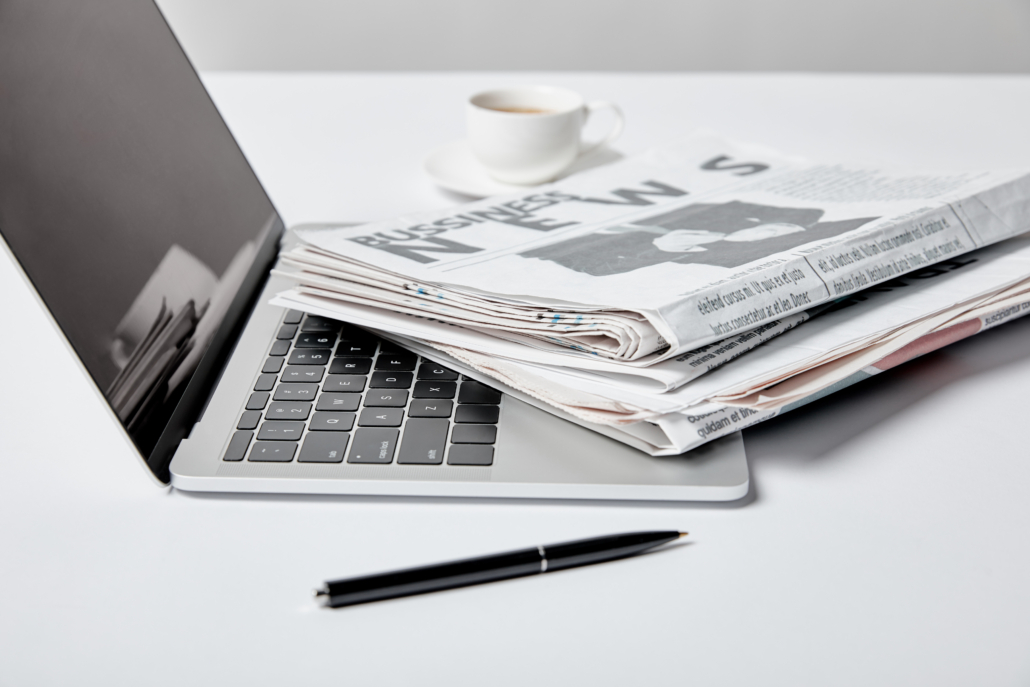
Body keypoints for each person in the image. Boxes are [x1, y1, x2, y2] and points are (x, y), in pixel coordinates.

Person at [520, 200, 879, 276]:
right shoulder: (721, 217)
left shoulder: (706, 251)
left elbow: (593, 271)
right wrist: (658, 248)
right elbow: (597, 270)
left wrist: (659, 249)